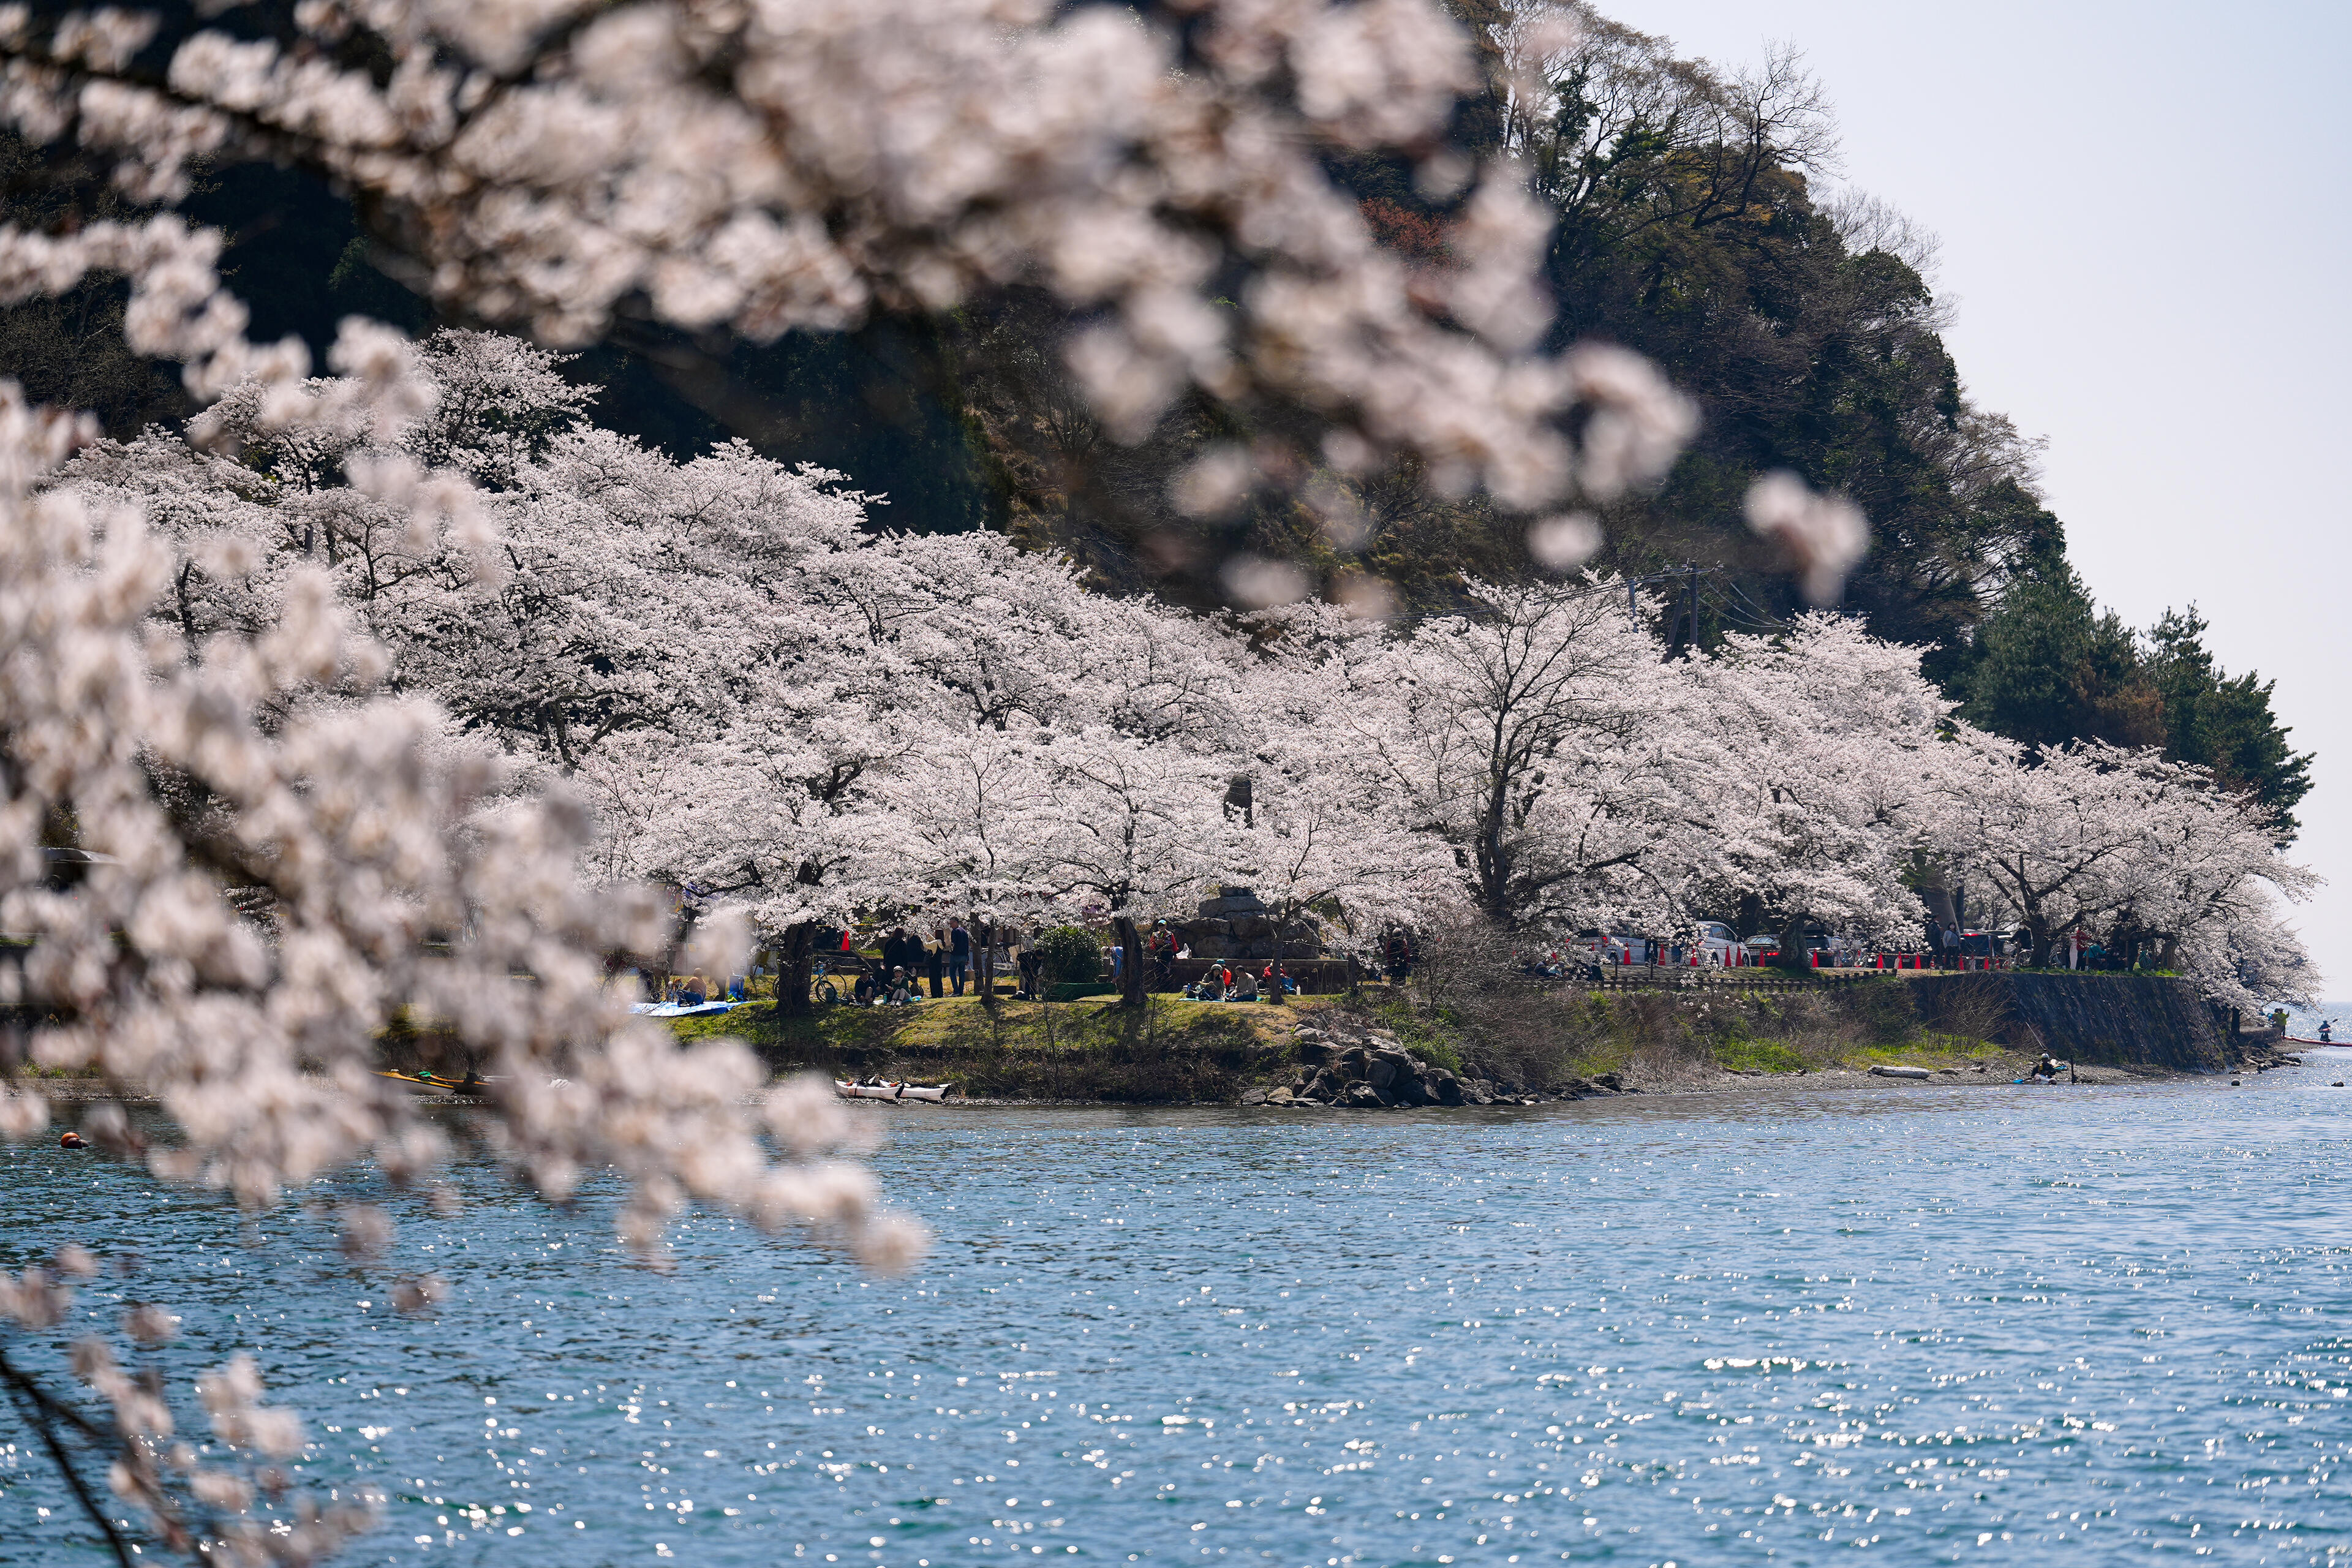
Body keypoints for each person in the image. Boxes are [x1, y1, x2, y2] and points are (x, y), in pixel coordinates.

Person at [948, 919, 972, 996]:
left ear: (956, 922)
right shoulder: (964, 932)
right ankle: (961, 991)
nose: (950, 925)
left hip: (956, 955)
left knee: (952, 972)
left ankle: (956, 991)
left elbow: (953, 944)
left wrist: (951, 951)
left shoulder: (955, 931)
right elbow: (967, 945)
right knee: (962, 974)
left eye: (951, 923)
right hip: (964, 956)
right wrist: (967, 957)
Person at [924, 928, 945, 998]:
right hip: (939, 962)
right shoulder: (941, 942)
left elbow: (926, 945)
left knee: (933, 979)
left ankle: (934, 994)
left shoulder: (936, 942)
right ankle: (940, 993)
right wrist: (928, 935)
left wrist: (924, 938)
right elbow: (934, 940)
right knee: (939, 979)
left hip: (933, 963)